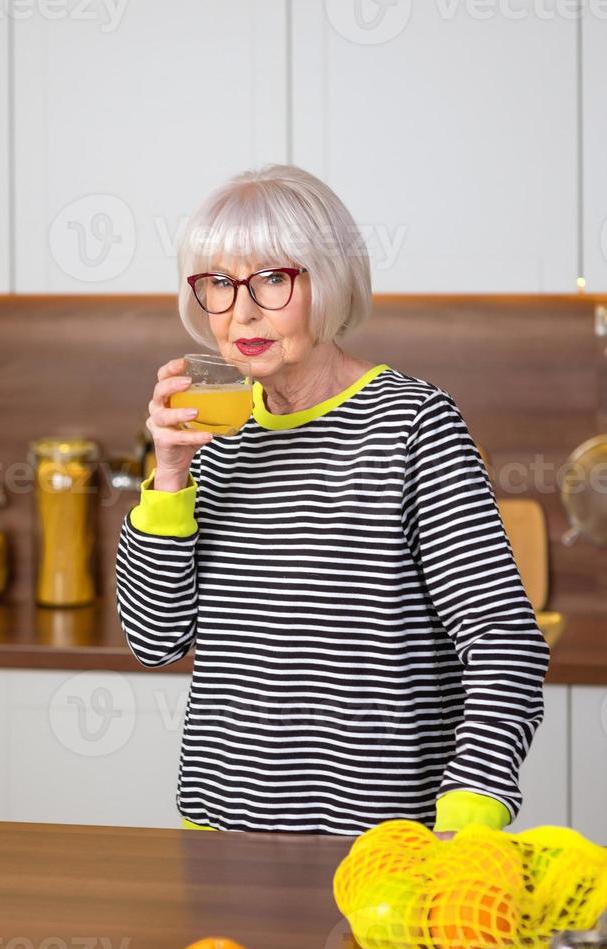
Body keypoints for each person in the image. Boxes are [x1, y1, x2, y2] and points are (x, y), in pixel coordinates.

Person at [115, 163, 550, 837]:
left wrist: (465, 824)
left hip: (385, 846)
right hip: (220, 835)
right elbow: (154, 640)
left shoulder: (413, 426)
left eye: (272, 278)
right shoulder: (214, 437)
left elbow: (505, 644)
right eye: (218, 284)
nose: (243, 311)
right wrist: (169, 476)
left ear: (330, 280)